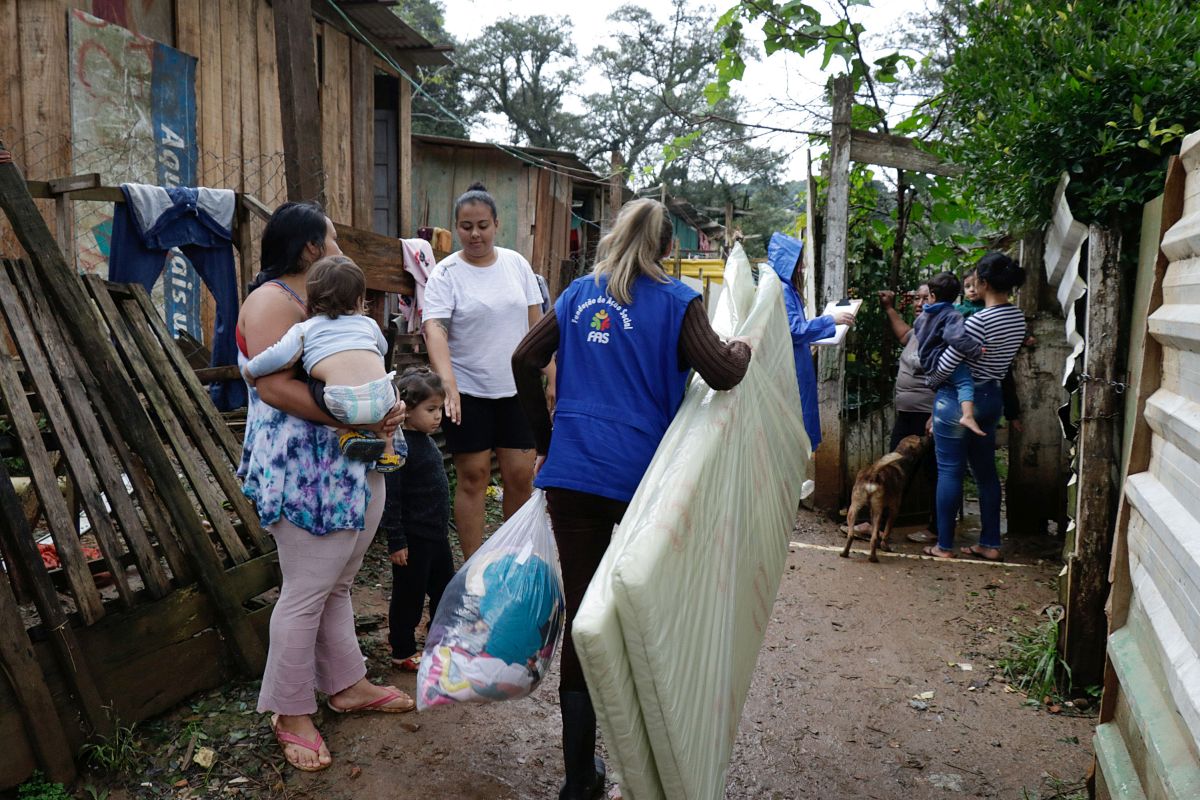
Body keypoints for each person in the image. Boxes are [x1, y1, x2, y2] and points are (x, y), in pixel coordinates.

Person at [511, 198, 752, 800]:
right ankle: (652, 759)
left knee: (584, 619)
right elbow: (722, 372)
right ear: (669, 247)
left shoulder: (577, 294)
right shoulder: (677, 301)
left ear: (616, 235)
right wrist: (745, 347)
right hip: (645, 485)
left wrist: (548, 438)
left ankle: (576, 780)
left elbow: (523, 359)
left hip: (574, 476)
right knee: (648, 610)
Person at [237, 201, 415, 774]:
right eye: (334, 239)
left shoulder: (329, 307)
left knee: (337, 584)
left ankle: (346, 684)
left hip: (353, 461)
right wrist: (355, 418)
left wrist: (383, 409)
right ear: (311, 247)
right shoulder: (272, 301)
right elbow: (272, 388)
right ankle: (289, 712)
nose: (340, 248)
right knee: (307, 590)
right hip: (304, 470)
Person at [422, 182, 554, 559]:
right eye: (466, 226)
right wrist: (448, 384)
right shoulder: (446, 274)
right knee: (474, 476)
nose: (475, 234)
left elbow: (537, 325)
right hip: (468, 393)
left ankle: (512, 563)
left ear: (496, 224)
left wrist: (552, 374)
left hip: (518, 390)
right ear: (457, 227)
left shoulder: (516, 264)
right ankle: (474, 568)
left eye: (482, 225)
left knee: (519, 477)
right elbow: (434, 328)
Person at [242, 255, 406, 471]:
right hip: (382, 401)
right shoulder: (369, 324)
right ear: (360, 299)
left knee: (314, 381)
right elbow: (382, 350)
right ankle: (388, 451)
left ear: (310, 298)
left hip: (341, 403)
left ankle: (344, 433)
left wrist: (250, 371)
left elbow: (278, 357)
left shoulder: (305, 329)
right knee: (387, 381)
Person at [922, 252, 1027, 560]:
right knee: (986, 473)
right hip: (992, 397)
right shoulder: (1017, 318)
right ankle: (990, 543)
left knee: (950, 470)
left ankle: (943, 545)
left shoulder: (979, 321)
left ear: (982, 282)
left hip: (958, 400)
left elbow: (947, 365)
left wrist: (933, 379)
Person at [380, 367, 452, 673]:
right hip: (414, 539)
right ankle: (402, 649)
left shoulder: (425, 440)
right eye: (431, 409)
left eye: (439, 409)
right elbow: (391, 496)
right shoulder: (400, 448)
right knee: (408, 596)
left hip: (436, 536)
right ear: (407, 412)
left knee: (445, 589)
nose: (438, 417)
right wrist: (396, 540)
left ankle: (439, 641)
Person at [765, 232, 854, 449]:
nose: (803, 266)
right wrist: (830, 320)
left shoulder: (782, 288)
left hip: (794, 364)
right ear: (789, 262)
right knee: (797, 429)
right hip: (793, 368)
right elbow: (794, 330)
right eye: (799, 260)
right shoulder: (784, 290)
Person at [869, 284, 939, 544]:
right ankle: (879, 525)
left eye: (926, 298)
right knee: (895, 469)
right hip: (909, 412)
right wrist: (889, 308)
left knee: (933, 472)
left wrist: (936, 412)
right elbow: (904, 335)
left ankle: (937, 529)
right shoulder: (920, 329)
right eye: (917, 298)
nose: (920, 303)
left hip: (928, 414)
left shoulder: (940, 329)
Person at [913, 271, 986, 436]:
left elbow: (919, 332)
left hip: (927, 362)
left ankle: (936, 422)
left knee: (944, 388)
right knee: (965, 382)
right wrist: (976, 350)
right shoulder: (952, 315)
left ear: (932, 295)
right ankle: (967, 416)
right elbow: (956, 338)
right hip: (940, 361)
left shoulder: (922, 316)